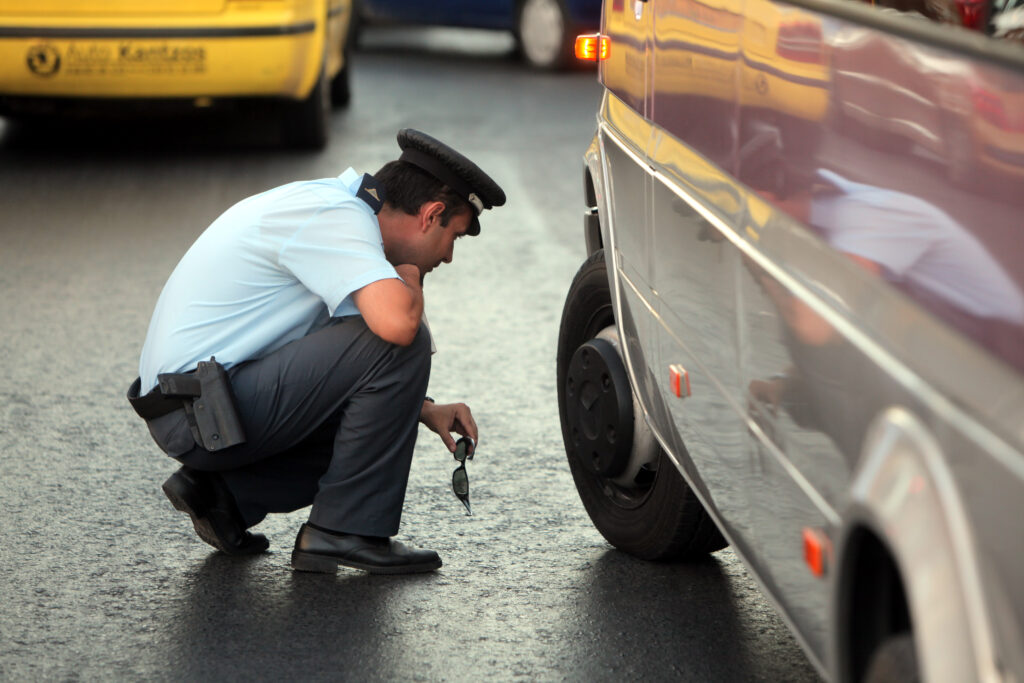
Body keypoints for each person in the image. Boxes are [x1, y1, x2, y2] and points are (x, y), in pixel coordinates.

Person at [127, 129, 506, 575]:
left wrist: (419, 408)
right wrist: (409, 270)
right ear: (431, 215)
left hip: (201, 404)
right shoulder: (337, 217)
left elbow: (344, 359)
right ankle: (344, 532)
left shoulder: (338, 210)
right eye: (454, 238)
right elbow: (398, 328)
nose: (448, 258)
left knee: (380, 392)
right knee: (403, 341)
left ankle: (225, 494)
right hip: (198, 413)